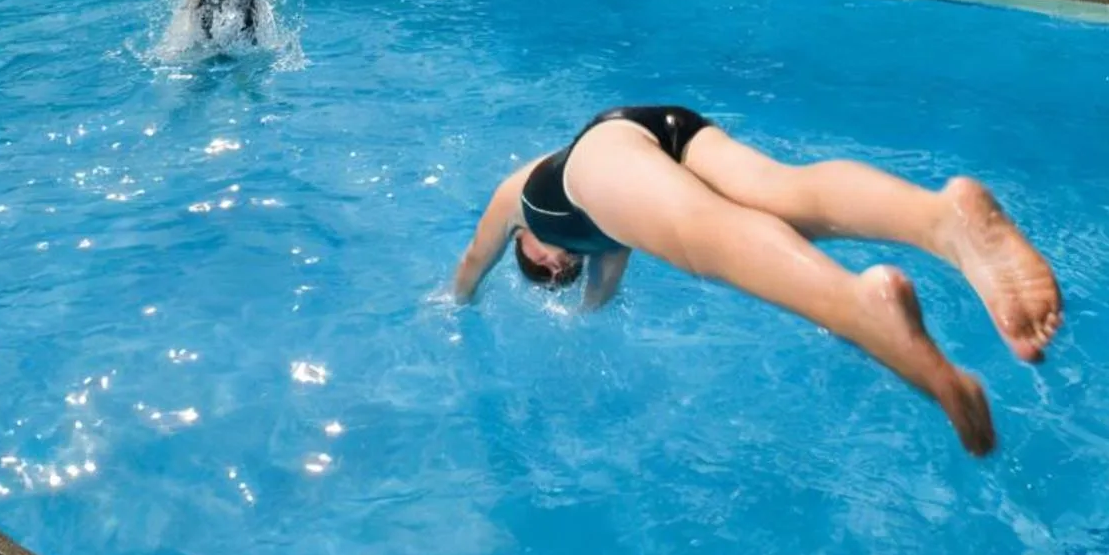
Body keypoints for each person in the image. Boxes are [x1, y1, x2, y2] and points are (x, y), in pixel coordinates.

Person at [450, 106, 1063, 456]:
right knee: (782, 195)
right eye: (560, 273)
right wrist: (583, 313)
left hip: (600, 152)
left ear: (520, 244)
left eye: (538, 263)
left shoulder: (520, 199)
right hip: (664, 128)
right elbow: (601, 296)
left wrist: (452, 303)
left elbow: (473, 262)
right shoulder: (607, 246)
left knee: (703, 233)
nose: (554, 266)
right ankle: (941, 220)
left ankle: (857, 306)